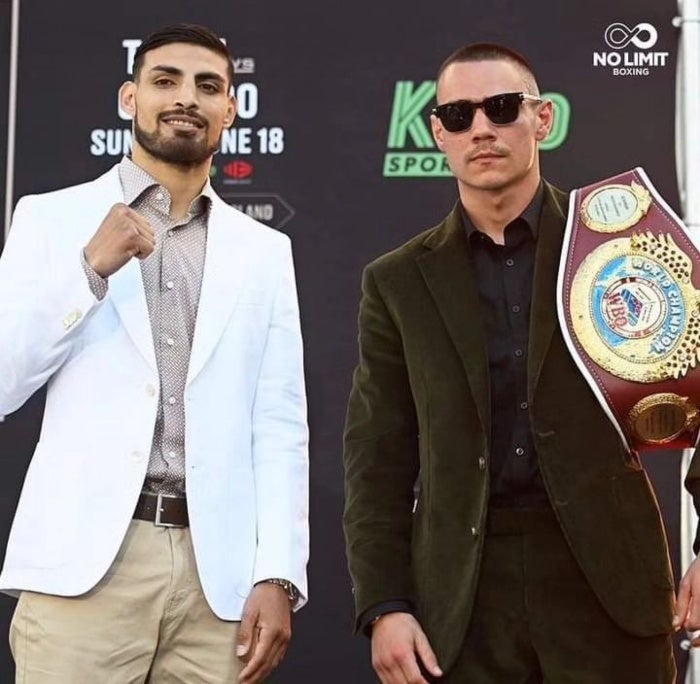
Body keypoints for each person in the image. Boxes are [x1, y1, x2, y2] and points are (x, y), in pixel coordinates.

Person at [342, 42, 676, 683]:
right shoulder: (396, 282)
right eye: (460, 116)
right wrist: (385, 604)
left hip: (608, 585)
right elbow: (377, 456)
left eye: (501, 108)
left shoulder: (619, 251)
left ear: (542, 118)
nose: (482, 130)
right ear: (438, 132)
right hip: (461, 601)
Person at [0, 23, 308, 684]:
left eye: (207, 86)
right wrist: (88, 269)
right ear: (128, 97)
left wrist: (278, 570)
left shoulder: (264, 253)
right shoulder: (51, 220)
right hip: (86, 570)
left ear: (230, 110)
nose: (184, 99)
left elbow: (279, 427)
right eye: (164, 80)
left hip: (216, 577)